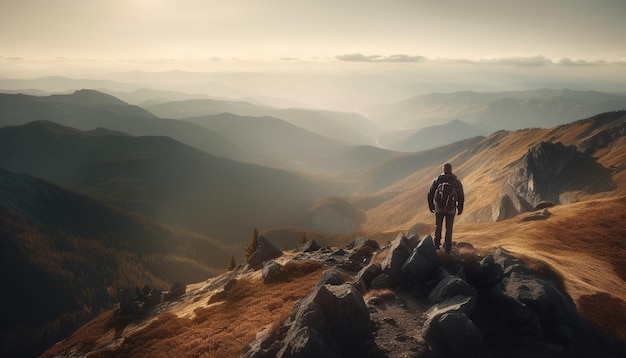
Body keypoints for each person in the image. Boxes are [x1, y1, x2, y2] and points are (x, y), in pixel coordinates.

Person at [427, 163, 464, 253]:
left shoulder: (437, 180)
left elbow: (430, 193)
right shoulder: (456, 181)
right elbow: (461, 195)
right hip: (451, 208)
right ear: (451, 169)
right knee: (449, 228)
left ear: (443, 169)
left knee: (438, 226)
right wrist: (460, 207)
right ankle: (448, 248)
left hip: (439, 207)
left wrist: (431, 206)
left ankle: (436, 245)